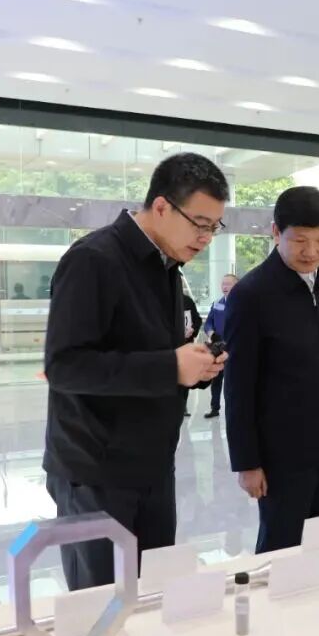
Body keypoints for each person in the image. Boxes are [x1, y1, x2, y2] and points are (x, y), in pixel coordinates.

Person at [43, 153, 228, 590]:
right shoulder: (94, 260)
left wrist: (194, 366)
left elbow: (151, 352)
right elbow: (65, 366)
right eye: (199, 224)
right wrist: (170, 366)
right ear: (161, 206)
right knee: (103, 605)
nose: (206, 238)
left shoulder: (167, 266)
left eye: (214, 227)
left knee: (154, 597)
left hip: (153, 464)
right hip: (96, 472)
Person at [225, 186, 319, 553]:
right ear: (275, 232)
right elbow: (238, 386)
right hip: (281, 453)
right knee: (282, 545)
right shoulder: (251, 294)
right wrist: (247, 462)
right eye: (300, 240)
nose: (311, 251)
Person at [203, 273, 238, 419]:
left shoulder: (243, 304)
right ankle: (214, 408)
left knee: (232, 382)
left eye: (228, 284)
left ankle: (233, 409)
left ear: (236, 286)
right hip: (218, 348)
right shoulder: (217, 303)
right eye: (223, 284)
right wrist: (211, 333)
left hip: (234, 349)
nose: (224, 287)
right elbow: (208, 323)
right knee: (216, 379)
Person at [181, 278, 203, 417]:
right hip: (167, 347)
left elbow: (197, 319)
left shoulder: (187, 301)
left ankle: (182, 405)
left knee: (184, 376)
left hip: (186, 344)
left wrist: (193, 330)